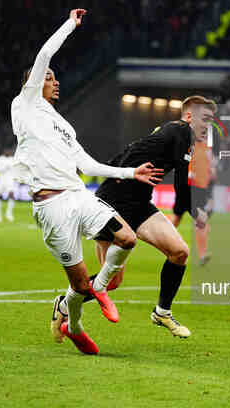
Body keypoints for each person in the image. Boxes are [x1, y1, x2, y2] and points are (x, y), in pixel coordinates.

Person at [11, 8, 164, 355]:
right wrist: (70, 24)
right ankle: (72, 322)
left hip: (80, 196)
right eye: (49, 77)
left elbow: (87, 163)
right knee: (78, 284)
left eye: (53, 78)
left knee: (127, 237)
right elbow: (44, 54)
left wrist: (131, 173)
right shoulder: (25, 104)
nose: (55, 80)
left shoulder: (62, 125)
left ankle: (103, 287)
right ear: (33, 83)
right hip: (51, 206)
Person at [54, 95, 215, 339]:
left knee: (179, 252)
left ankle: (162, 312)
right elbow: (181, 183)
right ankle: (65, 304)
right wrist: (196, 213)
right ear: (189, 116)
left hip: (139, 202)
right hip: (113, 200)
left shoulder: (174, 133)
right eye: (204, 119)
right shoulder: (181, 131)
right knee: (114, 280)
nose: (208, 125)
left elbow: (135, 149)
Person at [168, 138, 216, 266]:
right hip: (190, 186)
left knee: (177, 217)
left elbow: (211, 171)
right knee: (200, 221)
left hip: (198, 188)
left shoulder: (206, 148)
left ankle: (162, 238)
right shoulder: (191, 146)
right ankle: (202, 255)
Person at [0, 147, 16, 222]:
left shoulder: (13, 159)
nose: (8, 152)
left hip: (10, 180)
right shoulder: (0, 159)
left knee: (11, 195)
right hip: (1, 180)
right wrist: (4, 168)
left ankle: (8, 213)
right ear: (4, 151)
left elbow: (16, 170)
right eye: (7, 151)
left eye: (9, 151)